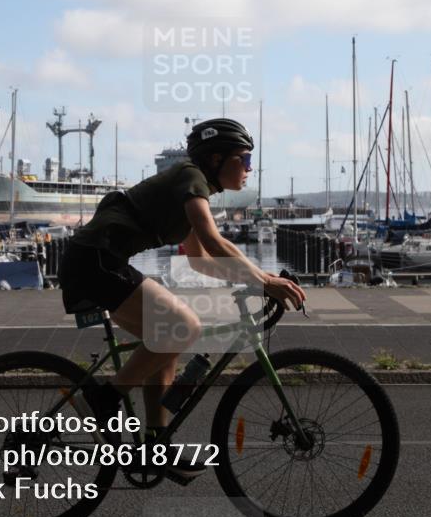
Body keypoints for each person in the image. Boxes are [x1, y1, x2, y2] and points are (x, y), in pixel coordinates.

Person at [58, 118, 306, 481]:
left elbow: (200, 259)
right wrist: (265, 281)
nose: (250, 168)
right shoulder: (191, 179)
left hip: (97, 261)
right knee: (181, 327)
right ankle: (103, 400)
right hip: (95, 260)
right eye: (245, 159)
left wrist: (260, 279)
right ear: (218, 159)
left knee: (164, 338)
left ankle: (154, 446)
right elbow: (212, 241)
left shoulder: (192, 187)